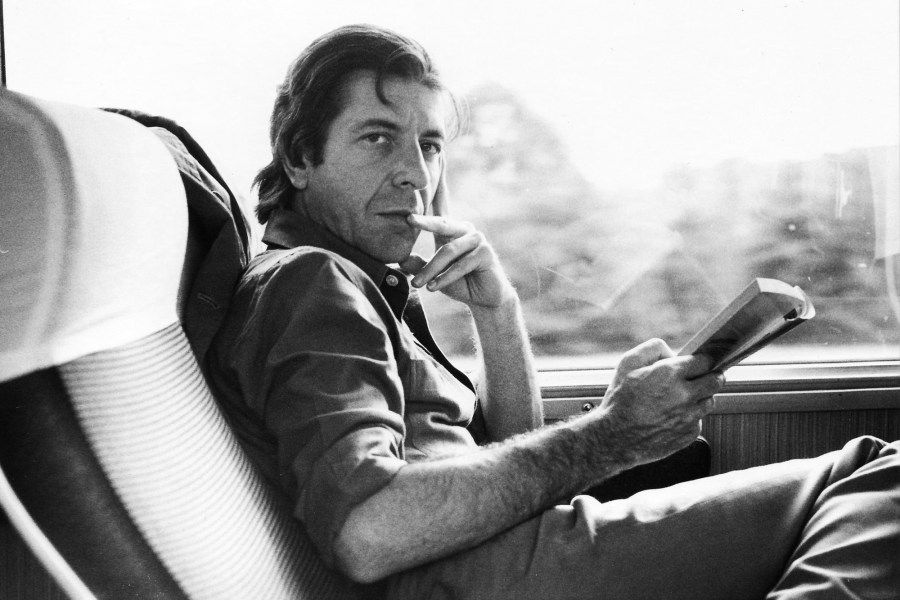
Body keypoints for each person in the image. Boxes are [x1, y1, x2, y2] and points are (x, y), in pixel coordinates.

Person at [206, 24, 900, 600]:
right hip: (486, 577)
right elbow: (368, 530)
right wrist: (614, 432)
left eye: (429, 145)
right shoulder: (312, 282)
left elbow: (506, 453)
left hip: (503, 554)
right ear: (300, 157)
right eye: (378, 138)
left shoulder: (364, 281)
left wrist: (498, 310)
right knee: (880, 469)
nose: (416, 175)